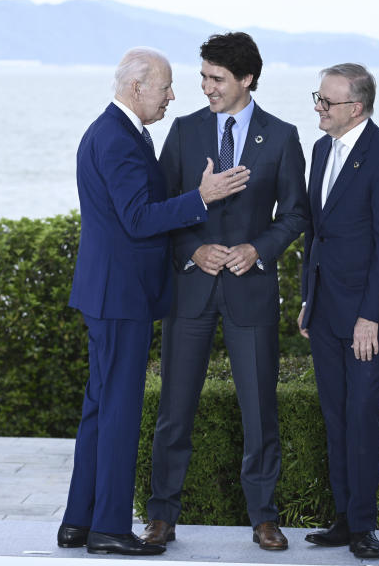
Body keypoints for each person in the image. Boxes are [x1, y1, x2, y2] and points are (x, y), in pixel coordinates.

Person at [58, 47, 251, 556]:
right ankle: (109, 530)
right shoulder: (118, 138)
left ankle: (79, 522)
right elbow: (138, 218)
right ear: (137, 87)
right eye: (165, 87)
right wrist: (202, 198)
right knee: (118, 412)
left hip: (111, 293)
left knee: (100, 410)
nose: (173, 96)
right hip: (121, 297)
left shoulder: (115, 132)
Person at [141, 32, 308, 551]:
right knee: (175, 407)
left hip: (251, 291)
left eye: (217, 79)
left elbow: (297, 213)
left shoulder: (281, 136)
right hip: (191, 291)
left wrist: (258, 249)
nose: (207, 88)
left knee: (260, 410)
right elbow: (162, 207)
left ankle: (264, 517)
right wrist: (194, 251)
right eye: (204, 78)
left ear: (246, 80)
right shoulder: (186, 132)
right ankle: (162, 517)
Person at [297, 63, 379, 559]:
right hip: (323, 310)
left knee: (362, 416)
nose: (318, 108)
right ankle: (343, 519)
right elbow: (315, 234)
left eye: (326, 101)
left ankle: (364, 525)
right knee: (335, 414)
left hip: (367, 316)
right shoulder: (322, 149)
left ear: (355, 108)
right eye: (317, 98)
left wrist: (371, 317)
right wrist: (307, 298)